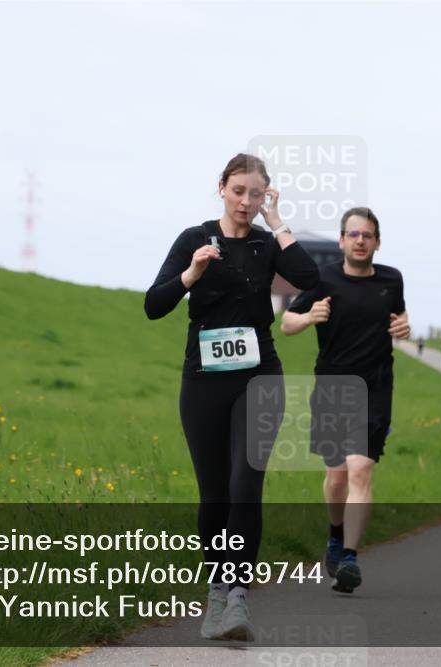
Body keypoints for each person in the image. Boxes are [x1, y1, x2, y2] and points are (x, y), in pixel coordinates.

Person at [145, 153, 318, 641]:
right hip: (203, 379)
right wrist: (191, 275)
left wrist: (279, 223)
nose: (246, 201)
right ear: (221, 187)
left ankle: (238, 594)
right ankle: (217, 592)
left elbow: (310, 278)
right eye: (238, 190)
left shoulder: (268, 245)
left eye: (256, 194)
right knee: (214, 493)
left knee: (247, 483)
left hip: (260, 377)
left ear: (266, 197)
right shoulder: (193, 239)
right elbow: (154, 305)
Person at [282, 206, 409, 594]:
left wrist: (405, 326)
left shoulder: (392, 279)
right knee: (336, 476)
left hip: (375, 388)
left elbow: (399, 320)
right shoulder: (323, 278)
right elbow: (286, 323)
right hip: (333, 387)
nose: (359, 240)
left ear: (377, 242)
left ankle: (350, 558)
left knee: (359, 470)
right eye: (352, 234)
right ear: (341, 240)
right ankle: (335, 534)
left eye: (367, 235)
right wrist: (308, 318)